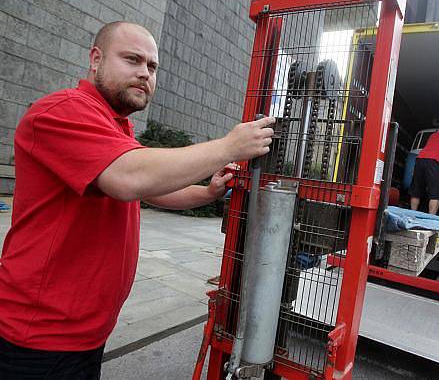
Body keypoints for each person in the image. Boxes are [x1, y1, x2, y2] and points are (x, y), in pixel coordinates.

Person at [0, 21, 275, 379]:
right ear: (95, 59)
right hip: (37, 338)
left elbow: (151, 187)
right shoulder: (62, 111)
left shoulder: (116, 125)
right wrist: (228, 146)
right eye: (132, 59)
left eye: (152, 66)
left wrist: (207, 192)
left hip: (84, 333)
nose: (144, 73)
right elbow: (130, 177)